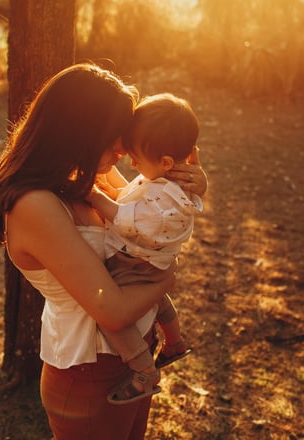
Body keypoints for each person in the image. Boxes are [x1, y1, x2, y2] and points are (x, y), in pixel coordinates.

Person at [0, 64, 207, 440]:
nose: (123, 148)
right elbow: (112, 310)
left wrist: (193, 184)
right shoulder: (34, 205)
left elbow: (149, 210)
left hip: (134, 358)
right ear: (79, 132)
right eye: (113, 137)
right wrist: (167, 278)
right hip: (88, 372)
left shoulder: (90, 173)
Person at [89, 93, 202, 405]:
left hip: (134, 264)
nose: (130, 161)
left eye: (136, 157)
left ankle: (143, 370)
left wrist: (97, 198)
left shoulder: (166, 198)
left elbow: (130, 220)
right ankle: (175, 342)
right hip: (154, 264)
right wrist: (113, 193)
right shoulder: (166, 181)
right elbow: (132, 197)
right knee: (157, 298)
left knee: (112, 316)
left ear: (166, 162)